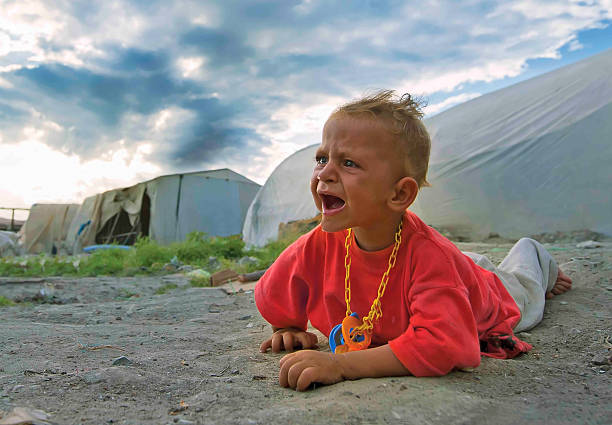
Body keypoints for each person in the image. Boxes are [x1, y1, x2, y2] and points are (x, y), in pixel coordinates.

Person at [254, 90, 572, 391]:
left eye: (348, 163)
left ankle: (539, 260)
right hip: (452, 272)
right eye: (322, 158)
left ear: (400, 193)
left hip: (490, 293)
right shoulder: (318, 244)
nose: (324, 173)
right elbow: (274, 292)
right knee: (457, 263)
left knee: (523, 282)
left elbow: (445, 345)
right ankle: (472, 265)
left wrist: (341, 364)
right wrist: (288, 328)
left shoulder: (432, 258)